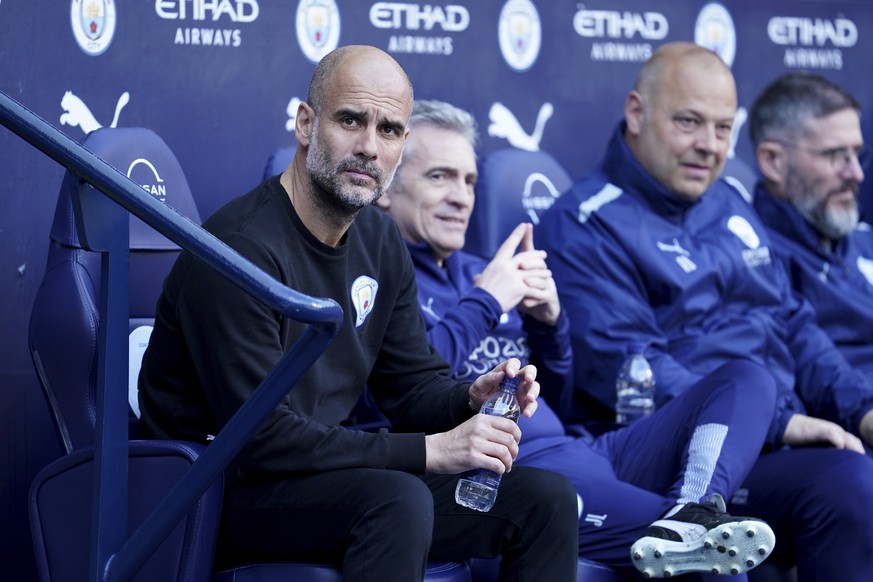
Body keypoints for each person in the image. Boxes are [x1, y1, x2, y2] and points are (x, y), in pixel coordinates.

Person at [137, 45, 580, 581]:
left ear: (402, 146)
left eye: (389, 130)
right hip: (215, 494)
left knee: (545, 499)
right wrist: (430, 451)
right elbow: (261, 440)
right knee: (396, 499)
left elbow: (412, 388)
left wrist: (470, 396)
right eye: (351, 120)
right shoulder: (238, 249)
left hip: (320, 478)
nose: (369, 146)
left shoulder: (378, 236)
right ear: (306, 124)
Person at [379, 98, 779, 580]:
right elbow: (403, 395)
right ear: (386, 188)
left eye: (469, 181)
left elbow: (555, 403)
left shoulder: (484, 270)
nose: (462, 197)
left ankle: (688, 511)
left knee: (747, 380)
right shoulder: (383, 277)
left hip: (585, 451)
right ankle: (687, 528)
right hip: (510, 475)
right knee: (716, 561)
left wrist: (549, 327)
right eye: (439, 177)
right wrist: (485, 302)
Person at [535, 42, 873, 580]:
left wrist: (861, 410)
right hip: (678, 452)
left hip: (771, 438)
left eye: (722, 129)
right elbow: (636, 372)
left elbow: (794, 324)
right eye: (689, 122)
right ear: (636, 113)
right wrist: (782, 424)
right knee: (851, 484)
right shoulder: (584, 223)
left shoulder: (729, 201)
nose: (709, 146)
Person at [750, 72, 873, 379]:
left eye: (856, 154)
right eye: (835, 155)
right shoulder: (756, 258)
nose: (856, 173)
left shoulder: (862, 238)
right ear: (773, 161)